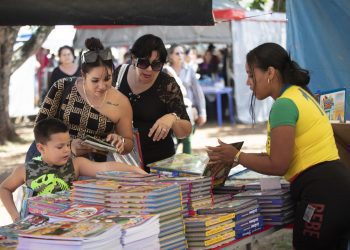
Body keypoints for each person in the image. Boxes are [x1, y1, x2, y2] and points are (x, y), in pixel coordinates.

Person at [207, 42, 350, 249]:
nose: (248, 82)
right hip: (336, 190)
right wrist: (237, 156)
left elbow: (279, 164)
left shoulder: (284, 104)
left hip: (322, 195)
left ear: (270, 72)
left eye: (250, 74)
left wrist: (237, 156)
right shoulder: (300, 94)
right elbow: (280, 154)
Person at [0, 118, 147, 222]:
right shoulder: (25, 170)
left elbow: (106, 167)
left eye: (68, 144)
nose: (66, 150)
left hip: (68, 226)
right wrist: (15, 217)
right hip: (35, 231)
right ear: (41, 148)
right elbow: (4, 188)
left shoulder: (76, 165)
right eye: (60, 147)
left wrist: (134, 169)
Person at [27, 37, 134, 163]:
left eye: (107, 78)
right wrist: (69, 145)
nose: (101, 85)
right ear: (83, 75)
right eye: (95, 80)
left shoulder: (121, 102)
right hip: (53, 164)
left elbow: (128, 144)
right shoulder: (62, 86)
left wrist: (120, 142)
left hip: (92, 171)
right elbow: (40, 127)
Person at [114, 34, 192, 171]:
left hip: (159, 163)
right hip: (123, 161)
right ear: (133, 59)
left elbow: (185, 132)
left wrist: (172, 119)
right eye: (143, 63)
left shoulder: (167, 84)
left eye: (156, 65)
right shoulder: (119, 74)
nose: (149, 69)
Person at [167, 44, 207, 154]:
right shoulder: (165, 70)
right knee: (171, 143)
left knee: (187, 141)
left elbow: (198, 92)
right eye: (177, 53)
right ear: (170, 56)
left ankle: (187, 170)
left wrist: (202, 112)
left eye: (182, 53)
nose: (180, 55)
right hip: (171, 112)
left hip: (188, 109)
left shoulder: (189, 70)